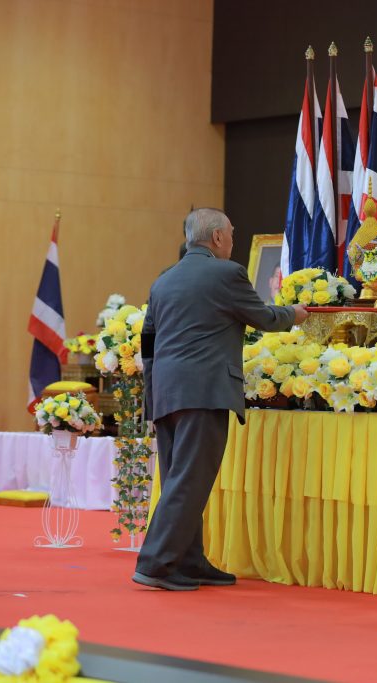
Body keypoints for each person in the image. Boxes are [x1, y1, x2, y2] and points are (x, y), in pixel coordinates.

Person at [133, 208, 308, 591]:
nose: (232, 240)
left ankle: (188, 561)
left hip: (166, 392)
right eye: (230, 234)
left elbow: (148, 341)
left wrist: (153, 394)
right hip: (204, 392)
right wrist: (294, 314)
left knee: (181, 478)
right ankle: (155, 564)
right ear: (215, 238)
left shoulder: (164, 280)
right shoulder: (227, 273)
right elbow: (261, 317)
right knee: (189, 481)